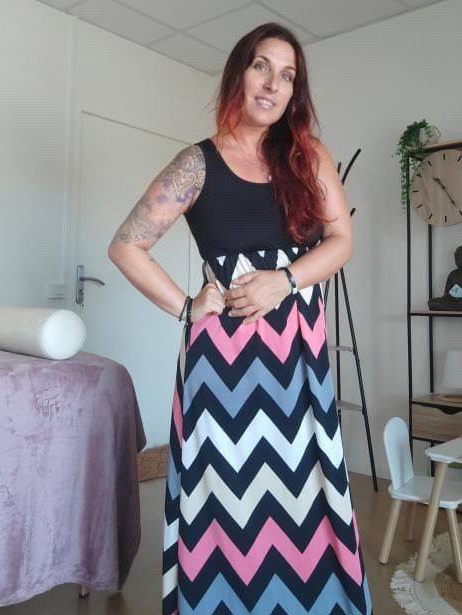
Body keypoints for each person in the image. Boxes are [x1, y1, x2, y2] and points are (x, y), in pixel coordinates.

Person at [108, 22, 372, 615]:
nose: (273, 84)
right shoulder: (195, 164)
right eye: (261, 67)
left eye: (287, 75)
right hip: (223, 366)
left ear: (295, 92)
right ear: (237, 74)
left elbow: (341, 241)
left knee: (307, 489)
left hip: (296, 356)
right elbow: (126, 246)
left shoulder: (308, 156)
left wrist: (286, 279)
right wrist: (185, 305)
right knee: (222, 498)